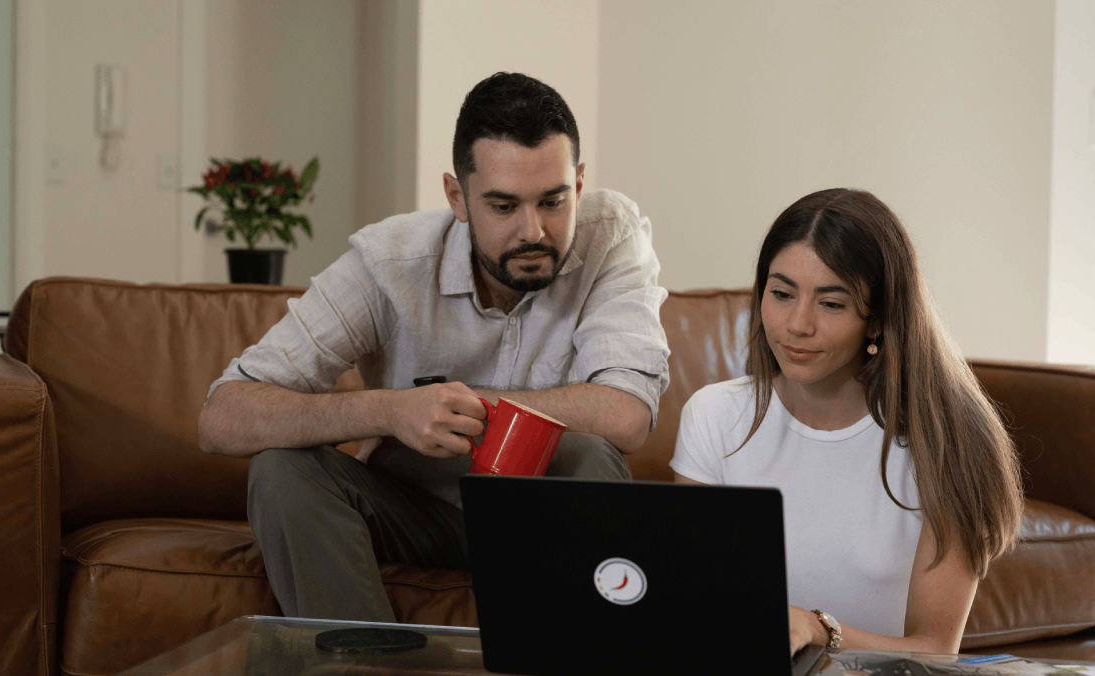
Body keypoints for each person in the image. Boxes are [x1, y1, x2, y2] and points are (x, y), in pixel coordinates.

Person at [198, 72, 670, 622]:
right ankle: (360, 667)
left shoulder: (612, 234)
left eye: (553, 201)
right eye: (503, 206)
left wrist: (460, 403)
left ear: (580, 185)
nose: (533, 231)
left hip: (545, 511)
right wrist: (391, 411)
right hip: (412, 510)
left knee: (590, 453)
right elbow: (221, 416)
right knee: (281, 470)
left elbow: (627, 414)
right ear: (457, 197)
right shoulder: (389, 264)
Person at [670, 188, 1022, 655]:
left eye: (830, 303)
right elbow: (687, 607)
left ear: (877, 319)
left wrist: (819, 630)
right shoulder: (713, 417)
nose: (797, 324)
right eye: (781, 294)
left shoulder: (951, 439)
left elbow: (936, 649)